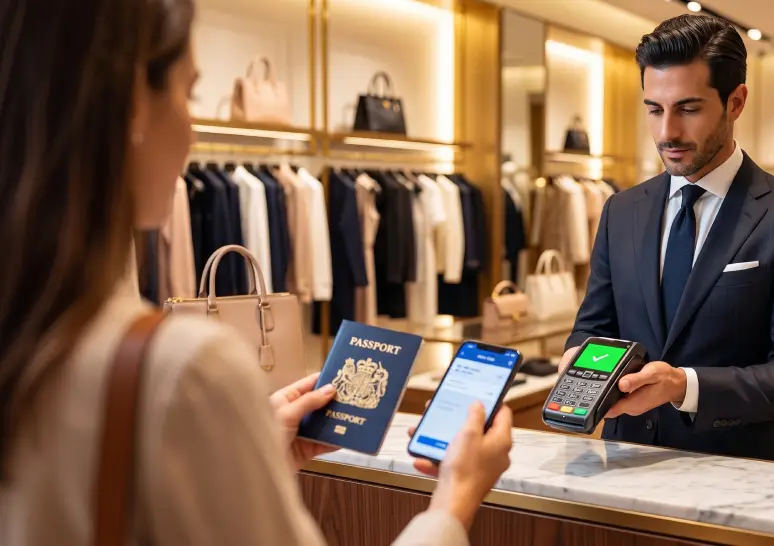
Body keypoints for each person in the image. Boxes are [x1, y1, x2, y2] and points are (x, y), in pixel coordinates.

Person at [0, 0, 512, 544]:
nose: (193, 131)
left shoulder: (35, 339)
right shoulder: (181, 370)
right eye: (187, 93)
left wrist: (252, 452)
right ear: (132, 105)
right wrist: (455, 500)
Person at [561, 14, 774, 463]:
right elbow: (595, 323)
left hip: (736, 473)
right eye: (654, 109)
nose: (667, 132)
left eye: (688, 109)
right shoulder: (621, 210)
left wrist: (684, 387)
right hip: (622, 461)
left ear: (736, 101)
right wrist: (579, 355)